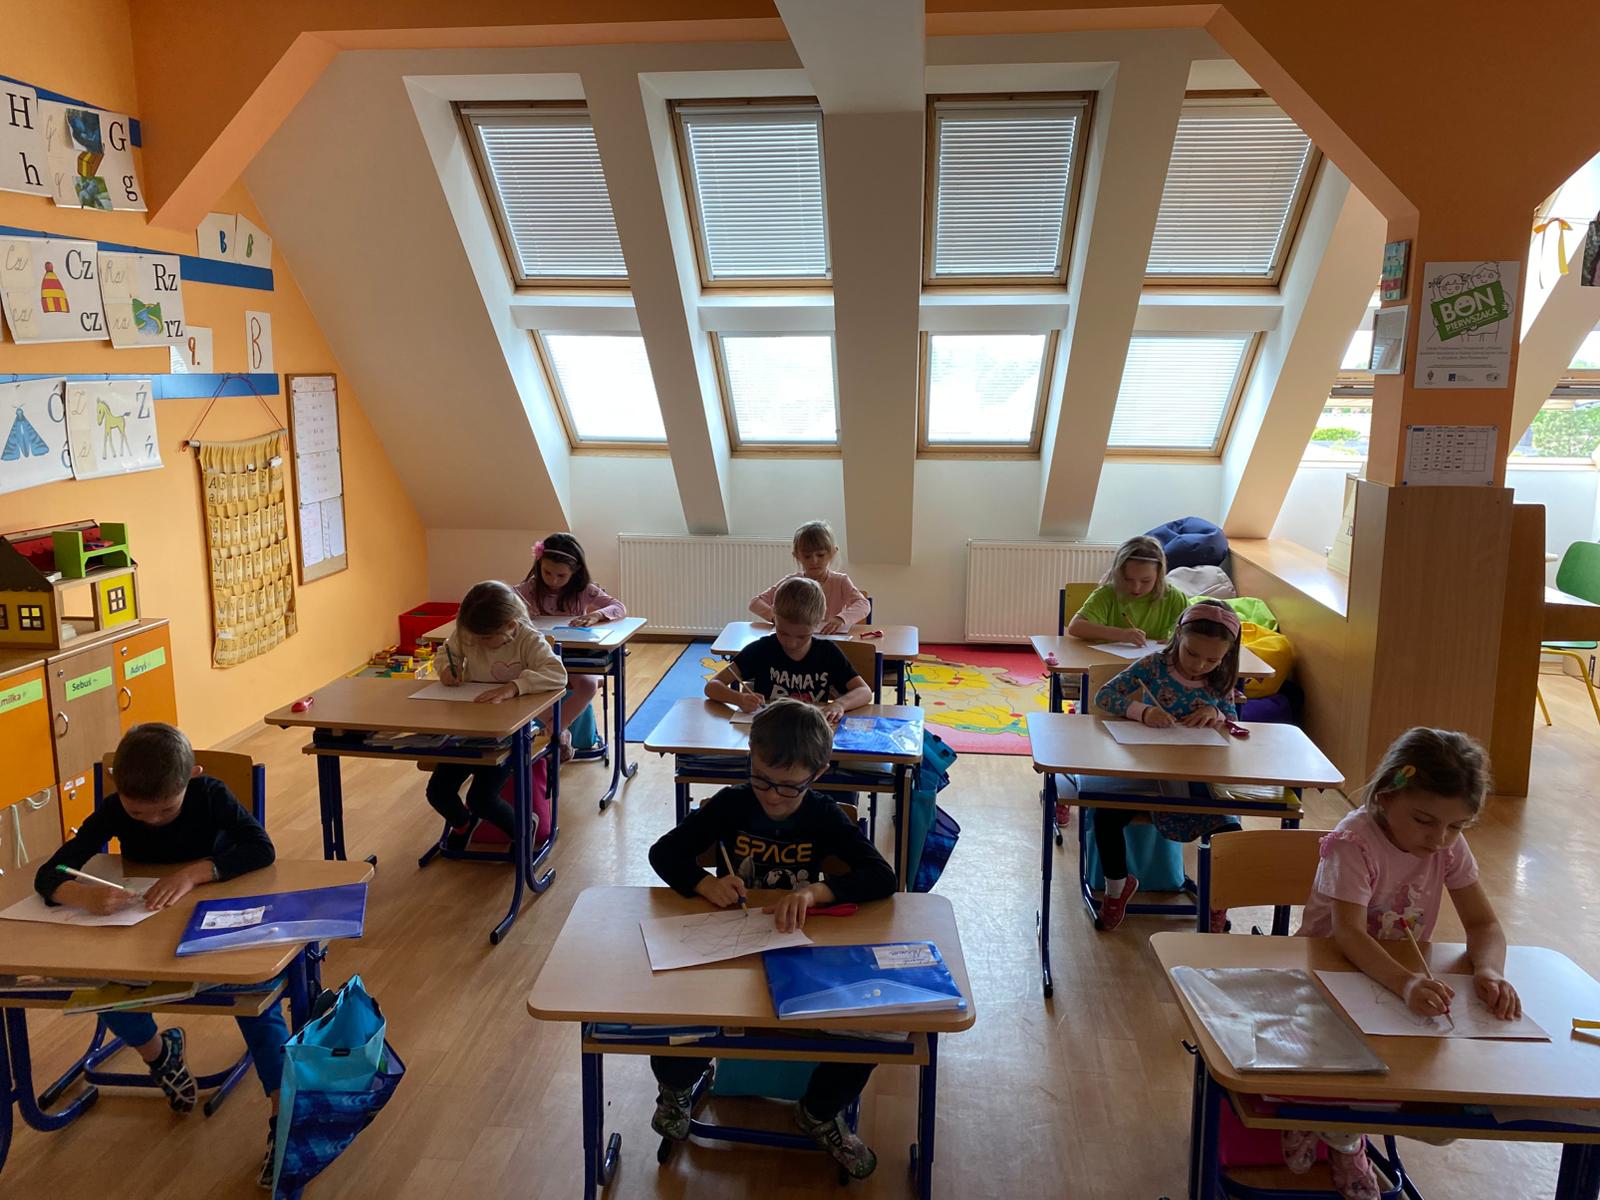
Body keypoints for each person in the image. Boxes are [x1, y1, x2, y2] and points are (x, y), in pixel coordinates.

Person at [646, 699, 896, 1178]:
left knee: (871, 1027)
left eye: (788, 786)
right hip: (732, 947)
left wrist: (817, 891)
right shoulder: (733, 803)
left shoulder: (823, 815)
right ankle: (676, 1089)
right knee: (674, 1009)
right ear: (751, 759)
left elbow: (881, 877)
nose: (772, 797)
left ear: (817, 774)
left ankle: (818, 1111)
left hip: (796, 951)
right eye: (761, 779)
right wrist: (703, 883)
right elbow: (664, 854)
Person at [35, 723, 283, 1187]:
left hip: (211, 922)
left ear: (193, 777)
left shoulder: (210, 794)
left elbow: (261, 849)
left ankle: (282, 1118)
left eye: (166, 809)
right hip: (146, 930)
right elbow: (52, 870)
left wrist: (192, 874)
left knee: (257, 997)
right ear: (117, 785)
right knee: (104, 990)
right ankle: (161, 1055)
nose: (151, 820)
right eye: (138, 812)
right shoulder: (115, 808)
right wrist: (80, 895)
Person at [1283, 728, 1519, 1200]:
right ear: (1386, 796)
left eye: (1456, 827)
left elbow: (1484, 925)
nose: (1440, 839)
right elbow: (1348, 934)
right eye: (1424, 820)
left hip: (1393, 986)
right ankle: (1333, 1125)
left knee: (1435, 1108)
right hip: (1326, 979)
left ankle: (1333, 1117)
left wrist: (1489, 970)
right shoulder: (1355, 841)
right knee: (1345, 1063)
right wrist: (1407, 983)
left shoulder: (1446, 846)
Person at [1092, 599, 1245, 933]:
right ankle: (1116, 889)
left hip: (1198, 780)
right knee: (1104, 814)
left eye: (1212, 659)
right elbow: (1104, 696)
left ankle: (1217, 900)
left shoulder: (1220, 679)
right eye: (1191, 653)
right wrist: (1143, 712)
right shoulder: (1154, 665)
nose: (1199, 665)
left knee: (1230, 833)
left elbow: (1233, 719)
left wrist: (1216, 713)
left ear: (1226, 655)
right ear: (1178, 635)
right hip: (1150, 775)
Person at [433, 580, 567, 847]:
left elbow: (557, 674)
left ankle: (524, 829)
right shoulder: (468, 632)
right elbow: (445, 654)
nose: (478, 643)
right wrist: (447, 668)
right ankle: (463, 824)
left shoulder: (528, 639)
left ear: (510, 625)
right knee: (438, 792)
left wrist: (514, 687)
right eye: (475, 637)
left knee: (480, 799)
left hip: (510, 734)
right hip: (468, 729)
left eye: (486, 638)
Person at [514, 532, 625, 757]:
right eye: (547, 572)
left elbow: (618, 607)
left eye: (561, 575)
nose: (553, 580)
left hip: (574, 656)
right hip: (539, 656)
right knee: (519, 683)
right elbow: (503, 600)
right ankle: (560, 734)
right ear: (539, 564)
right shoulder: (531, 588)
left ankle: (556, 731)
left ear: (575, 571)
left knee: (588, 685)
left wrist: (596, 615)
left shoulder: (584, 589)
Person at [709, 577, 873, 722]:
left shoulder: (827, 653)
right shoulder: (762, 649)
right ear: (774, 617)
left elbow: (864, 691)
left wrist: (840, 704)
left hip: (808, 733)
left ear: (817, 624)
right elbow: (712, 686)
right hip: (769, 731)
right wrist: (738, 698)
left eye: (802, 636)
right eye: (783, 633)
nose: (791, 643)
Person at [750, 520, 870, 635]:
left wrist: (841, 618)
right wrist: (775, 617)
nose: (814, 561)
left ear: (832, 553)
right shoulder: (791, 582)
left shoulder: (840, 581)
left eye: (820, 555)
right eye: (807, 556)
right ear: (797, 556)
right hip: (796, 640)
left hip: (829, 639)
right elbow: (755, 603)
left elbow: (863, 604)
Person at [1067, 535, 1189, 646]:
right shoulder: (1108, 594)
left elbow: (1194, 629)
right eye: (1127, 579)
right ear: (1118, 573)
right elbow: (1075, 627)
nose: (1136, 588)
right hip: (1108, 661)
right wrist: (1121, 634)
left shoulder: (1172, 597)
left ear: (1159, 575)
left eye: (1146, 581)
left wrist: (1179, 640)